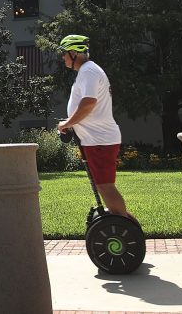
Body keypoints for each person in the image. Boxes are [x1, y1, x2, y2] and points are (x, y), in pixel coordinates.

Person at [55, 34, 134, 220]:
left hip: (100, 139)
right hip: (97, 139)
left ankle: (126, 231)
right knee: (104, 185)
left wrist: (67, 123)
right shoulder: (87, 71)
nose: (63, 57)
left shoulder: (88, 71)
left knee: (106, 186)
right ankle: (126, 228)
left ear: (74, 52)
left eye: (64, 53)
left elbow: (89, 103)